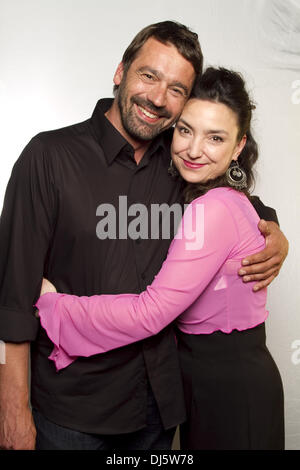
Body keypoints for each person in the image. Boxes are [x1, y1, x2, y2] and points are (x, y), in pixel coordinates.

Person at [0, 21, 288, 451]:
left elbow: (229, 196)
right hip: (71, 414)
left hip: (159, 409)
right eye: (149, 75)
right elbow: (13, 298)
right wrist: (12, 407)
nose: (157, 97)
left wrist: (273, 228)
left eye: (176, 89)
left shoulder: (180, 160)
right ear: (120, 72)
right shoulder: (49, 157)